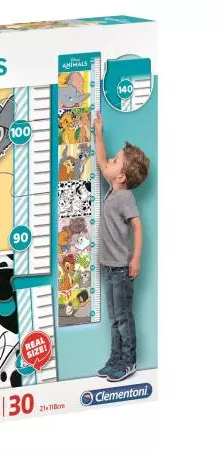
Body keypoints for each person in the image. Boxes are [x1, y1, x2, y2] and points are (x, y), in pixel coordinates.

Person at [94, 112, 150, 382]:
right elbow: (101, 160)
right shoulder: (113, 188)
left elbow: (137, 226)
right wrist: (99, 134)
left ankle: (129, 361)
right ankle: (115, 358)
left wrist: (136, 258)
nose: (109, 162)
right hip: (108, 267)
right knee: (114, 318)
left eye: (115, 161)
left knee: (123, 317)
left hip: (120, 269)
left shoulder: (125, 197)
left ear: (122, 177)